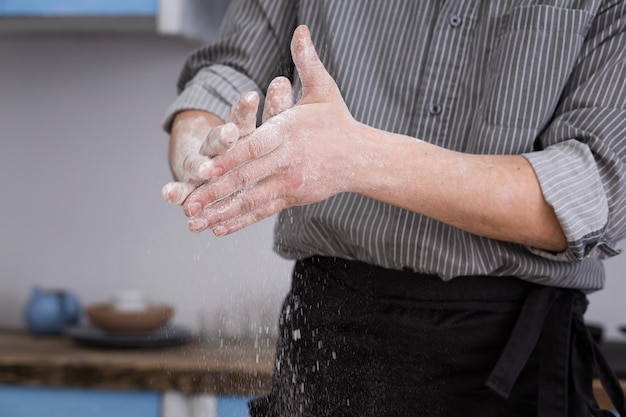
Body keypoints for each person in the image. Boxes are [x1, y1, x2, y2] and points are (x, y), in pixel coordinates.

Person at [162, 1, 626, 416]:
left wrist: (360, 158)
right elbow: (232, 71)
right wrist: (202, 144)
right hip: (329, 335)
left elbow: (593, 191)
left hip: (513, 358)